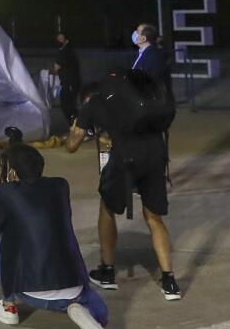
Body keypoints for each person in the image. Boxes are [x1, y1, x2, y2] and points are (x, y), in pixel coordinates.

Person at [0, 128, 111, 329]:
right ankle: (87, 311)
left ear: (11, 173)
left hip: (32, 293)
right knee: (83, 290)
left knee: (0, 234)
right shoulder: (60, 186)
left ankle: (9, 305)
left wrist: (2, 189)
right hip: (75, 285)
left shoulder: (7, 194)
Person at [66, 61, 181, 301]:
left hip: (127, 157)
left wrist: (78, 127)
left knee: (107, 208)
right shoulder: (132, 99)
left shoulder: (94, 103)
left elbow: (71, 146)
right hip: (156, 154)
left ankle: (107, 271)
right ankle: (169, 281)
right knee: (153, 217)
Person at [53, 32, 82, 126]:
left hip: (69, 83)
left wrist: (46, 72)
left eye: (61, 39)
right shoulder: (68, 51)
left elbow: (56, 68)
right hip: (71, 82)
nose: (59, 41)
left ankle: (77, 125)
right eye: (58, 39)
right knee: (70, 105)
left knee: (67, 105)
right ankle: (77, 125)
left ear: (66, 40)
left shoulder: (65, 51)